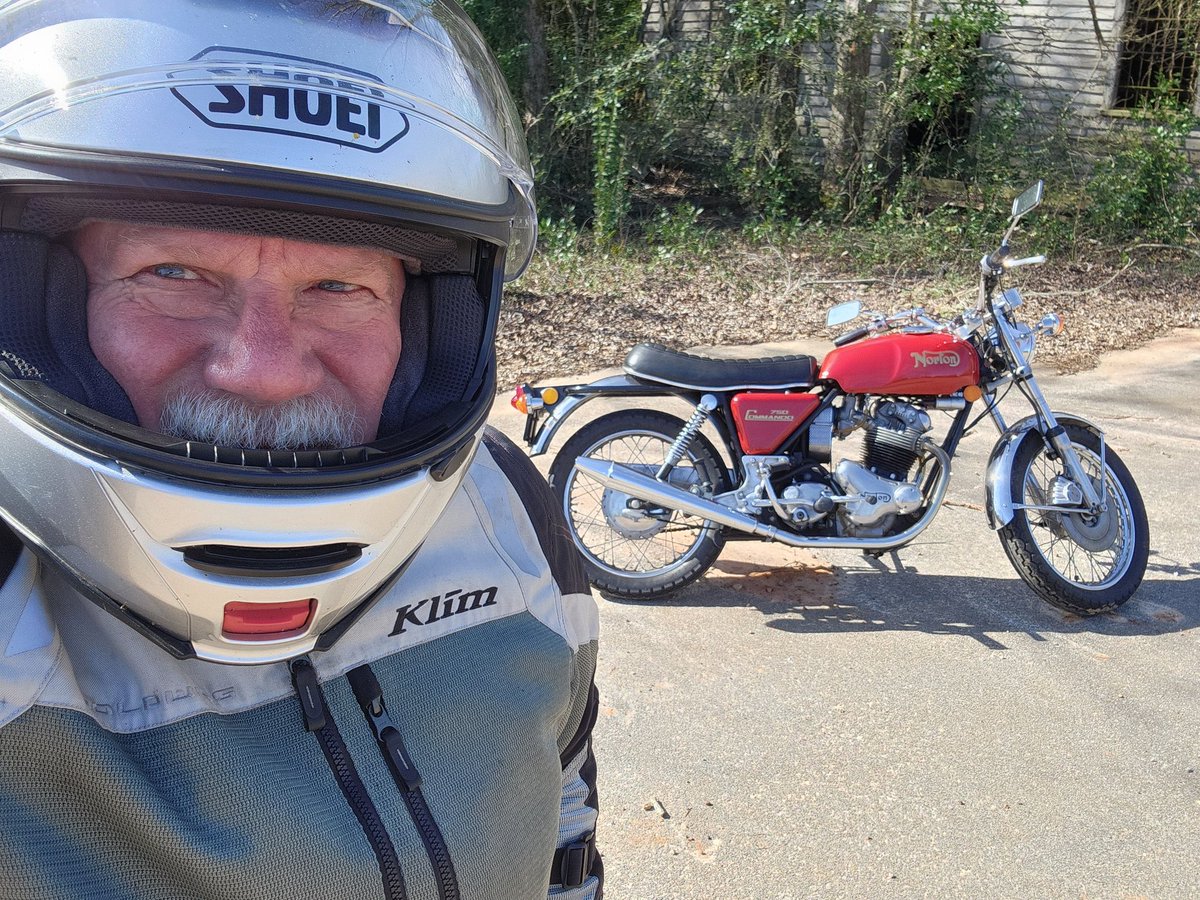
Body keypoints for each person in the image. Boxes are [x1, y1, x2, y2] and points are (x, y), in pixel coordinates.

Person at [0, 2, 601, 899]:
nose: (265, 371)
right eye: (172, 273)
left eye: (339, 284)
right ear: (35, 302)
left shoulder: (506, 509)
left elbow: (566, 817)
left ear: (432, 323)